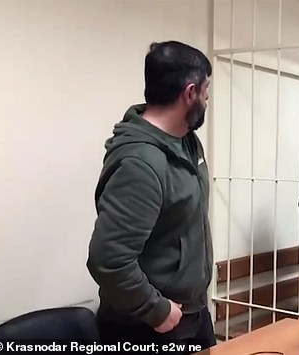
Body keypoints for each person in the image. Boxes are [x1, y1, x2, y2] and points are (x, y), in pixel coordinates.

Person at [87, 41, 215, 352]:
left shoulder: (187, 143)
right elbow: (108, 260)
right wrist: (155, 310)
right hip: (149, 327)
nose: (208, 99)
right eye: (206, 91)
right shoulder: (140, 164)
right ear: (189, 93)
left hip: (193, 315)